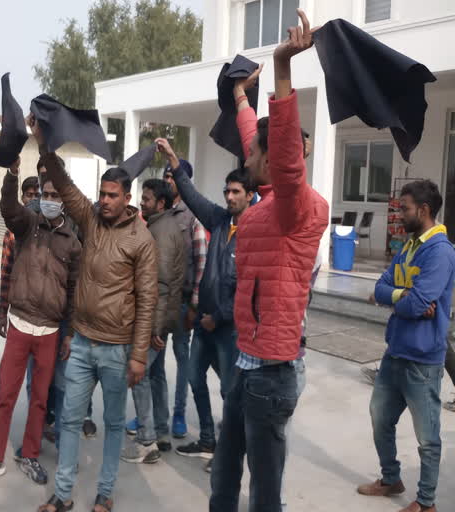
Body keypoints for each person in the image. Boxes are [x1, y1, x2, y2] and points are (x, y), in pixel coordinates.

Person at [209, 10, 329, 512]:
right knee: (224, 474)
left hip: (271, 372)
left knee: (264, 495)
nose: (247, 156)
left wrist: (282, 69)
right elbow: (255, 139)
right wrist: (241, 94)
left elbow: (277, 150)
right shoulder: (265, 200)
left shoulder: (294, 207)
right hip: (246, 361)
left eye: (253, 152)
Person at [32, 116, 157, 512]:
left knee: (114, 424)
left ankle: (104, 493)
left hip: (119, 350)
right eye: (101, 193)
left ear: (127, 197)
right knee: (70, 420)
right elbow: (65, 186)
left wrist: (139, 355)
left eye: (111, 195)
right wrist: (43, 143)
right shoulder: (90, 220)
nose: (103, 200)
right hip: (83, 342)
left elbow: (147, 299)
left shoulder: (142, 239)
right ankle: (64, 494)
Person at [0, 157, 81, 486]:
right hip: (20, 324)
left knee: (40, 399)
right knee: (6, 393)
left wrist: (69, 334)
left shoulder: (72, 243)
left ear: (65, 200)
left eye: (56, 195)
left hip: (50, 330)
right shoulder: (27, 223)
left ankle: (29, 455)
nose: (49, 199)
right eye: (45, 194)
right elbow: (7, 207)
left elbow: (73, 291)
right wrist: (13, 174)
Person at [358, 180, 454, 512]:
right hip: (395, 351)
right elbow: (382, 287)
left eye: (405, 208)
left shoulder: (440, 251)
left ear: (424, 211)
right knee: (379, 418)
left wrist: (401, 299)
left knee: (427, 439)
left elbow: (420, 304)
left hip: (422, 360)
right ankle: (391, 478)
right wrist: (403, 296)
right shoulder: (409, 245)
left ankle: (426, 502)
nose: (399, 214)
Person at [165, 158, 254, 462]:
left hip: (230, 329)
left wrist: (218, 317)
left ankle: (228, 452)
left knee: (230, 393)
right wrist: (176, 166)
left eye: (236, 192)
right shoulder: (219, 221)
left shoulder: (255, 234)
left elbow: (247, 289)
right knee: (193, 377)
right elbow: (192, 196)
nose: (229, 197)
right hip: (205, 324)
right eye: (227, 191)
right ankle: (206, 439)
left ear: (250, 195)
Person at [131, 162, 207, 441]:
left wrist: (192, 307)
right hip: (164, 309)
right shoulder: (157, 223)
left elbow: (192, 268)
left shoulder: (186, 220)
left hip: (174, 307)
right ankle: (157, 424)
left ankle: (155, 428)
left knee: (144, 368)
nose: (142, 202)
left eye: (174, 176)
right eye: (167, 176)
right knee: (155, 370)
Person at [120, 179, 184, 464]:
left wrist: (155, 328)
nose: (141, 202)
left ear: (160, 203)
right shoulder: (163, 226)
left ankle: (147, 441)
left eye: (146, 199)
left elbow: (162, 283)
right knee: (155, 375)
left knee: (139, 374)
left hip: (155, 322)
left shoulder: (161, 231)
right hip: (162, 319)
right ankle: (160, 431)